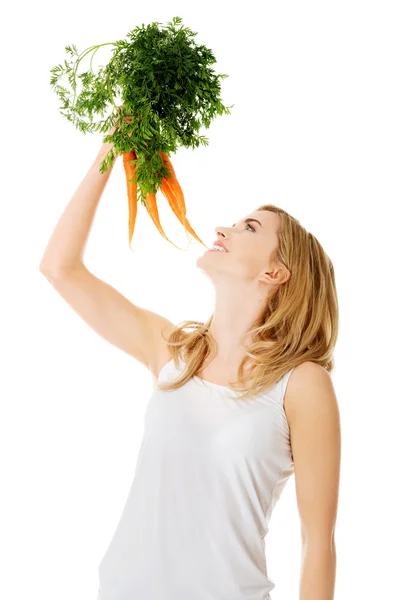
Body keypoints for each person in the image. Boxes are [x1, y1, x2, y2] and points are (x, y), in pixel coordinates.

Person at [39, 134, 341, 600]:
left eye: (249, 229)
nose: (223, 229)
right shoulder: (171, 354)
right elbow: (59, 267)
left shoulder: (300, 384)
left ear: (275, 273)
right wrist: (112, 150)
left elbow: (316, 542)